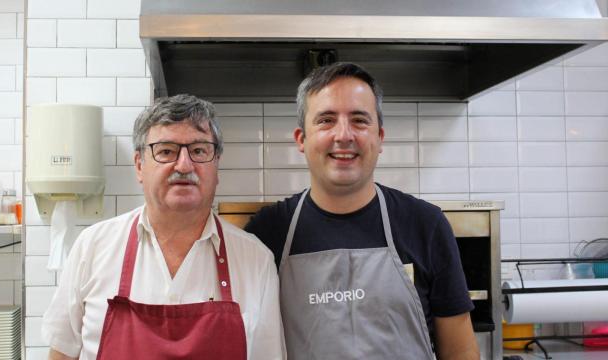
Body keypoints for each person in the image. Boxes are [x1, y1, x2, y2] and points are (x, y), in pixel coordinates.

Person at [245, 63, 479, 360]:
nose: (344, 135)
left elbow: (461, 352)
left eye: (359, 120)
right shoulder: (267, 233)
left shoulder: (425, 225)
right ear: (301, 140)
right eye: (326, 120)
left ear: (380, 137)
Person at [43, 94, 285, 360]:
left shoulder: (256, 260)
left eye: (199, 150)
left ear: (216, 165)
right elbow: (61, 354)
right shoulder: (92, 247)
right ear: (139, 166)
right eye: (166, 151)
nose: (184, 165)